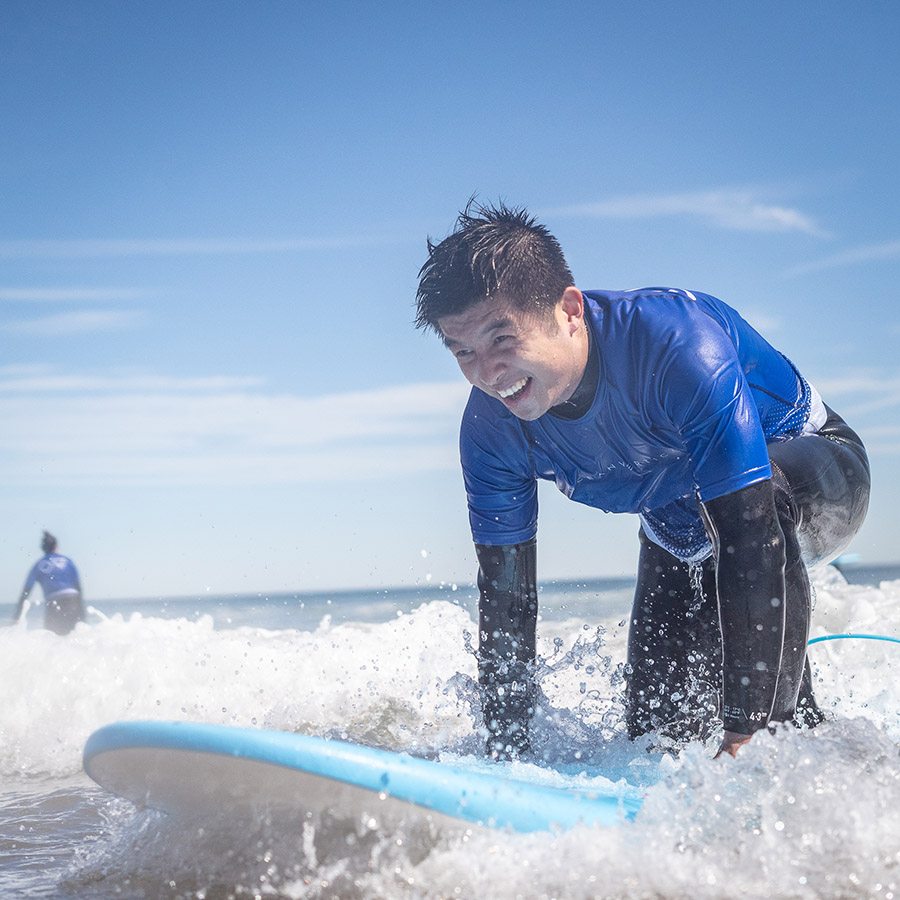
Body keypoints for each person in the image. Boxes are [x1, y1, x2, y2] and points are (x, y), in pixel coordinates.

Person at [415, 201, 870, 760]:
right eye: (463, 352)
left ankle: (790, 755)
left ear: (569, 309)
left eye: (501, 341)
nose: (487, 373)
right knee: (655, 740)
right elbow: (507, 597)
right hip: (680, 524)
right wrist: (506, 754)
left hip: (817, 473)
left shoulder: (675, 346)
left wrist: (744, 734)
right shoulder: (491, 431)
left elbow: (750, 533)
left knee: (760, 737)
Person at [12, 531, 86, 635]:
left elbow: (26, 591)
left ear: (43, 548)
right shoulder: (68, 561)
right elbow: (78, 588)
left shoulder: (39, 565)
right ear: (56, 546)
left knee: (52, 638)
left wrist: (17, 616)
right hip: (73, 601)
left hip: (54, 603)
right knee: (75, 637)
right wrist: (82, 612)